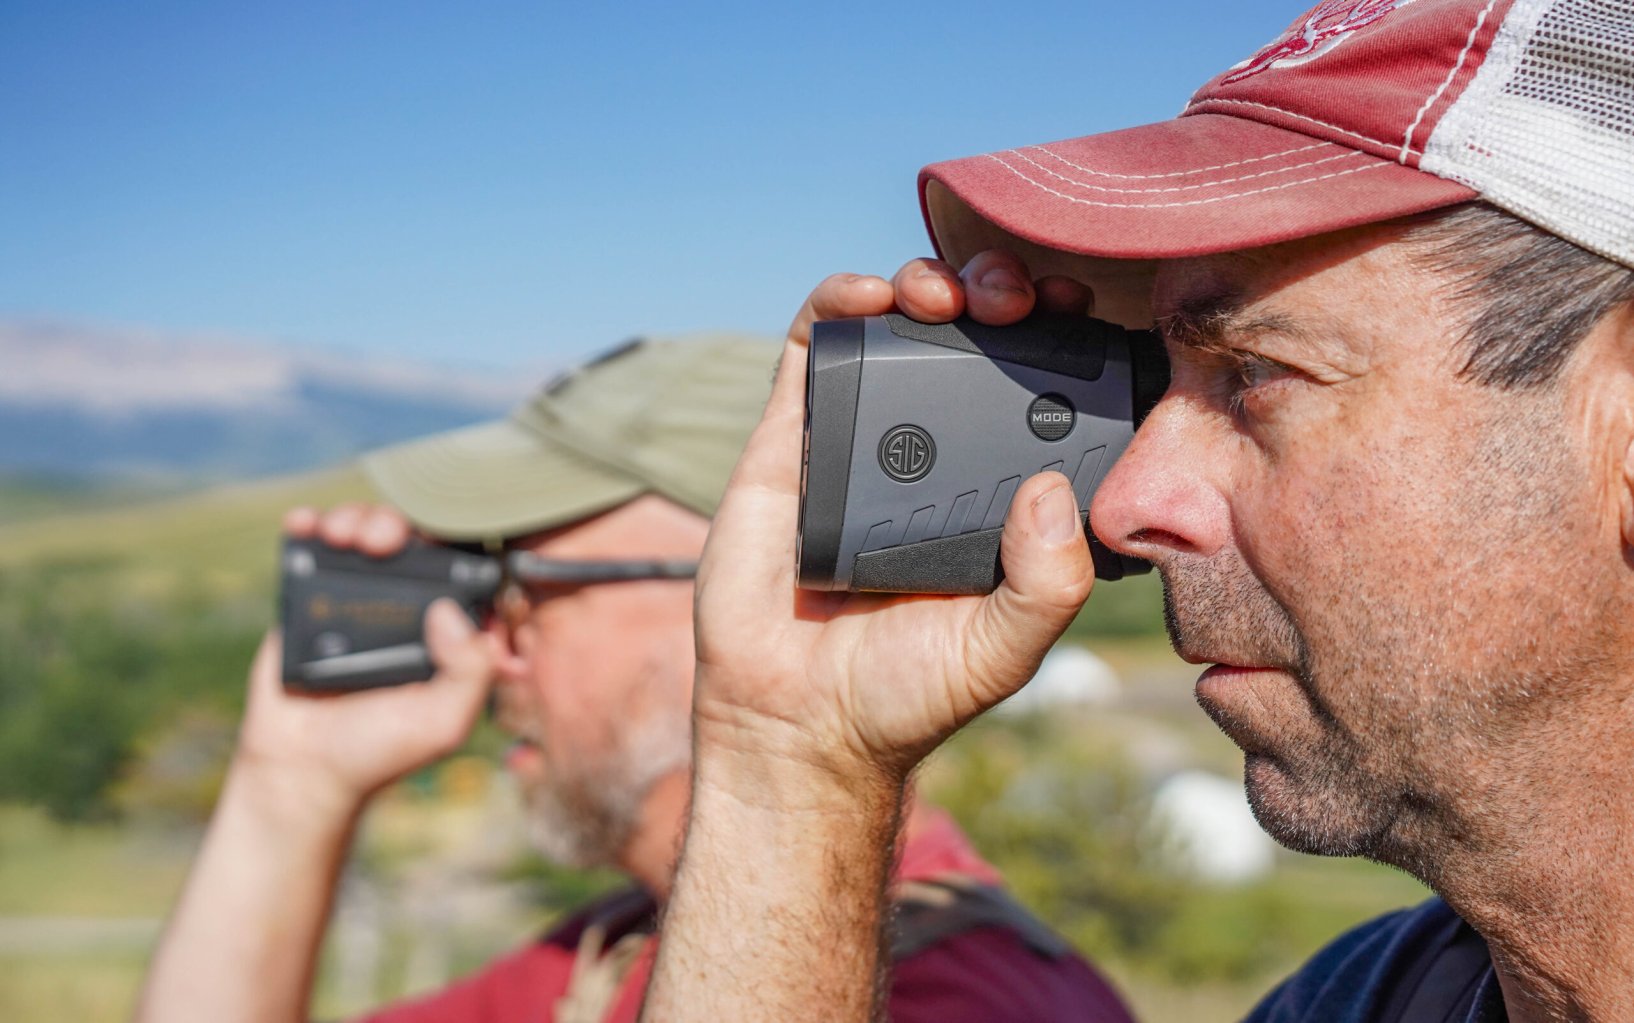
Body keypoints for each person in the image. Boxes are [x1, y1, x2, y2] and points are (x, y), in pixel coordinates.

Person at [642, 2, 1634, 1022]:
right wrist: (800, 765)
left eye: (1251, 374)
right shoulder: (1353, 1003)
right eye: (1161, 381)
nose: (1120, 507)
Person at [133, 335, 1136, 1023]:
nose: (484, 648)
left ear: (736, 581)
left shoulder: (954, 994)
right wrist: (292, 784)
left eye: (520, 588)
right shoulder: (619, 951)